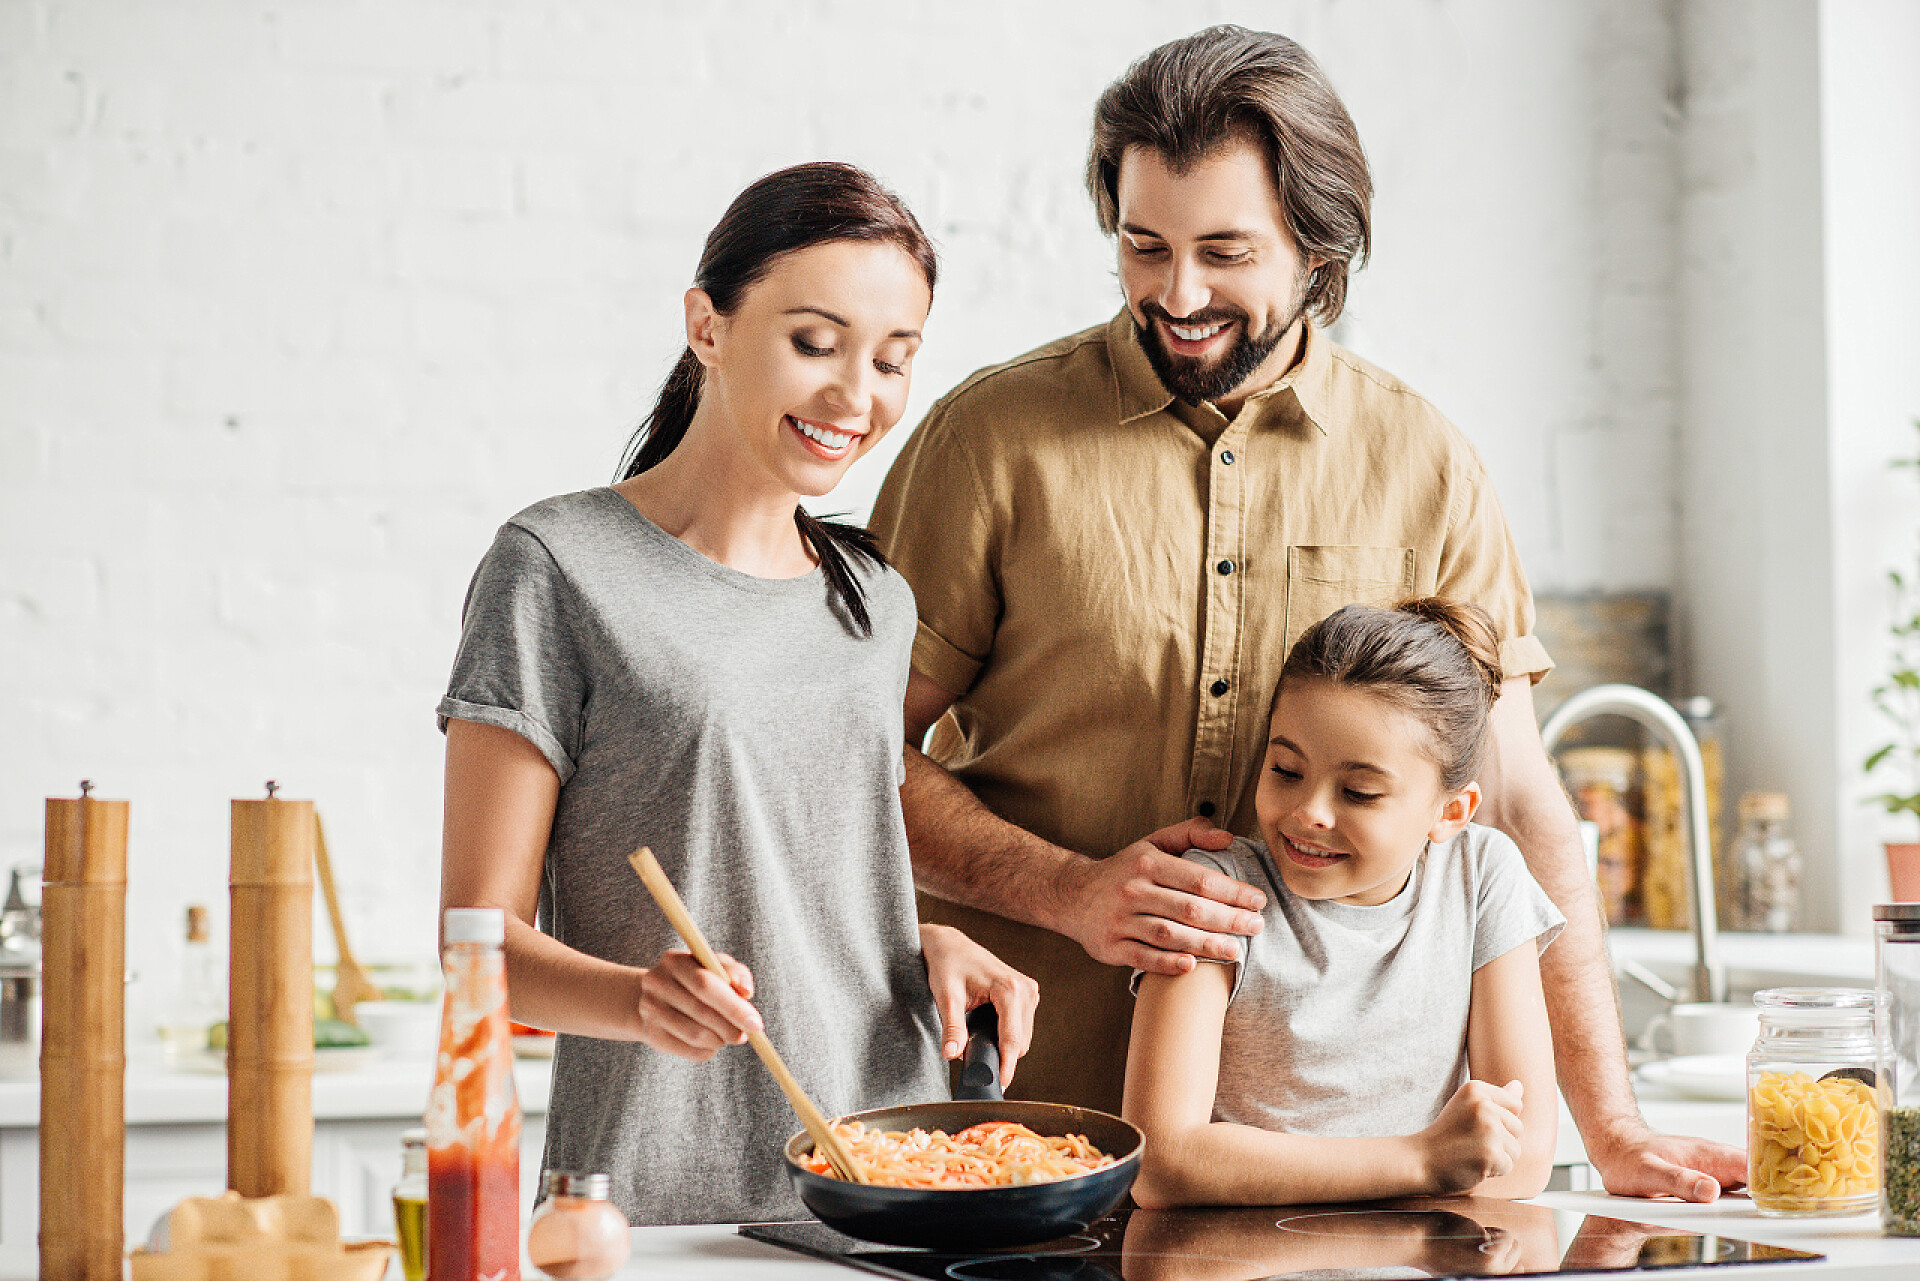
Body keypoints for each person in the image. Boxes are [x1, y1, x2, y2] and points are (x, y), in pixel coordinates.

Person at [868, 25, 1745, 1200]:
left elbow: (1524, 806)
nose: (1176, 295)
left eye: (1226, 251)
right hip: (1019, 1136)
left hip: (1366, 1181)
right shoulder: (990, 443)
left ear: (1320, 249)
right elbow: (848, 752)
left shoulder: (1425, 465)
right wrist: (1066, 892)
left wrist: (1615, 1122)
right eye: (1144, 247)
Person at [436, 161, 1038, 1225]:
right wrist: (637, 998)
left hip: (891, 1188)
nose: (858, 398)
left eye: (894, 362)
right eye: (817, 343)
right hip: (663, 1200)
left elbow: (811, 873)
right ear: (707, 327)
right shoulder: (557, 567)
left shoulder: (876, 602)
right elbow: (475, 946)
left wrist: (914, 947)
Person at [1122, 600, 1563, 1206]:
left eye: (1359, 792)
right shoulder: (1211, 897)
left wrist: (1432, 1163)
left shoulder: (1482, 876)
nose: (1309, 813)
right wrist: (1421, 1160)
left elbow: (1527, 1156)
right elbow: (1163, 1163)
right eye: (1285, 770)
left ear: (1450, 812)